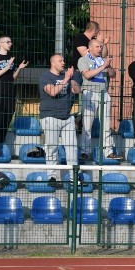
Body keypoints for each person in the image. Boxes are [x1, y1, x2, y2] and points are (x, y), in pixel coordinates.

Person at [38, 54, 80, 186]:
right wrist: (66, 78)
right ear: (53, 63)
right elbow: (52, 92)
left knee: (72, 148)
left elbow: (77, 91)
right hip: (50, 116)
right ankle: (52, 176)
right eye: (60, 61)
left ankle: (74, 177)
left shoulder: (67, 76)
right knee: (51, 147)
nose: (63, 63)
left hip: (67, 116)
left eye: (63, 60)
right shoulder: (46, 77)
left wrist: (73, 80)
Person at [78, 39, 122, 160]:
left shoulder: (102, 60)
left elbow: (113, 74)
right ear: (90, 48)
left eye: (101, 47)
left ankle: (108, 151)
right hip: (90, 94)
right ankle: (85, 151)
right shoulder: (83, 60)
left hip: (104, 93)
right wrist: (102, 66)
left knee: (106, 124)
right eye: (97, 46)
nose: (100, 49)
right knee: (87, 124)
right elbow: (87, 75)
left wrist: (108, 67)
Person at [0, 35, 28, 157]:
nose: (10, 44)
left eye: (10, 42)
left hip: (10, 91)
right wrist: (7, 66)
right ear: (1, 43)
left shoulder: (10, 58)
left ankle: (1, 141)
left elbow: (12, 77)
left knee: (8, 117)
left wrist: (19, 69)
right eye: (8, 42)